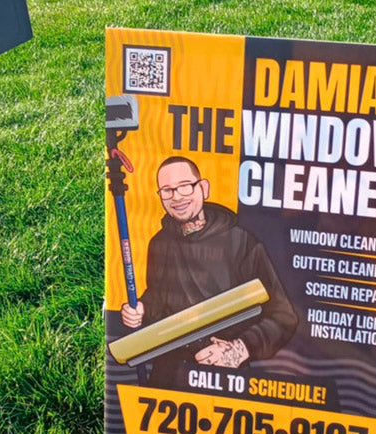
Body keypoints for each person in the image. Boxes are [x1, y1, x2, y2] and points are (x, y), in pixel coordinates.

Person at [120, 156, 297, 384]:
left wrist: (239, 349)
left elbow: (283, 316)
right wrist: (141, 310)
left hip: (223, 374)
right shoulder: (160, 243)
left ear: (203, 188)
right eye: (167, 190)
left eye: (185, 186)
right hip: (169, 372)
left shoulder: (241, 242)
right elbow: (159, 299)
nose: (176, 197)